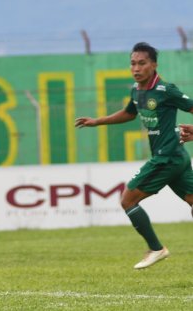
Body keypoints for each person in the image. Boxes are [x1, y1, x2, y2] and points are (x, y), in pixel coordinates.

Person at [75, 42, 193, 269]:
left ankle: (156, 249)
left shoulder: (166, 90)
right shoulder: (137, 90)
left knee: (128, 200)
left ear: (154, 65)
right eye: (132, 63)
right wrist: (97, 121)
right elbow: (129, 113)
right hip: (176, 156)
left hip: (166, 157)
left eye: (142, 63)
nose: (136, 68)